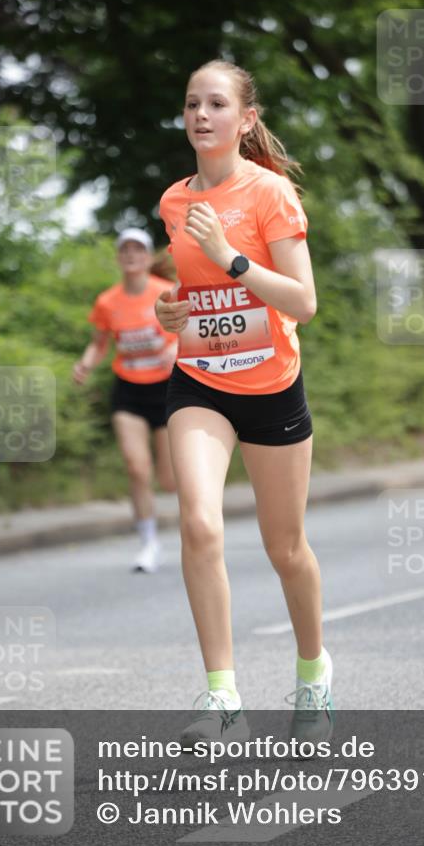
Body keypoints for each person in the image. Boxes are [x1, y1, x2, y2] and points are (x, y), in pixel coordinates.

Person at [155, 59, 333, 746]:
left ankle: (313, 674)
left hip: (270, 386)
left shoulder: (270, 193)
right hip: (198, 379)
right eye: (191, 103)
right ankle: (223, 697)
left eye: (217, 104)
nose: (201, 115)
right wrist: (172, 311)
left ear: (245, 118)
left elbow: (303, 302)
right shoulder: (174, 202)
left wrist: (231, 256)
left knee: (285, 548)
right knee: (199, 524)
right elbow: (192, 292)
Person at [74, 228, 177, 573]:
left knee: (170, 479)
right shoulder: (108, 301)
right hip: (129, 391)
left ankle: (198, 526)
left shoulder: (166, 292)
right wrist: (86, 364)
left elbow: (189, 330)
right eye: (125, 250)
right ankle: (149, 544)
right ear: (119, 258)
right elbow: (99, 343)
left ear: (147, 257)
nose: (131, 255)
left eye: (138, 249)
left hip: (167, 390)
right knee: (136, 467)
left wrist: (177, 348)